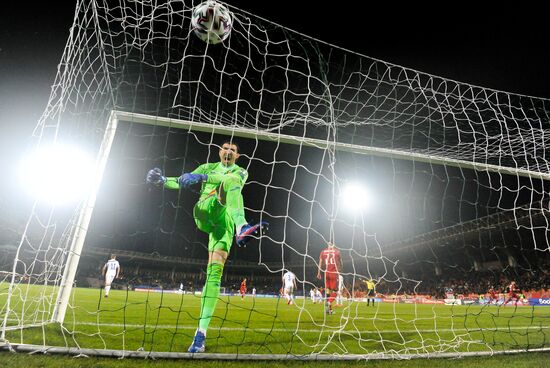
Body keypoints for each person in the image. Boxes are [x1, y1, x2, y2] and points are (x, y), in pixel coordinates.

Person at [146, 141, 268, 353]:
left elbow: (226, 179)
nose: (228, 151)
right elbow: (182, 181)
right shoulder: (206, 167)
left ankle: (200, 335)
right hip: (204, 211)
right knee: (227, 184)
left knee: (214, 275)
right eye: (225, 148)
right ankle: (243, 227)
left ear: (237, 156)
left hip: (224, 227)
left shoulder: (241, 171)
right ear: (219, 152)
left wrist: (202, 178)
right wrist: (163, 181)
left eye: (233, 149)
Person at [316, 242, 342, 315]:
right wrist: (340, 270)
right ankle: (328, 302)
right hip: (334, 273)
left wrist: (318, 273)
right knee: (336, 292)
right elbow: (340, 262)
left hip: (326, 273)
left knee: (328, 292)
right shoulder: (337, 251)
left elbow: (320, 263)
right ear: (333, 244)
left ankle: (329, 310)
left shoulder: (323, 251)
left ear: (328, 244)